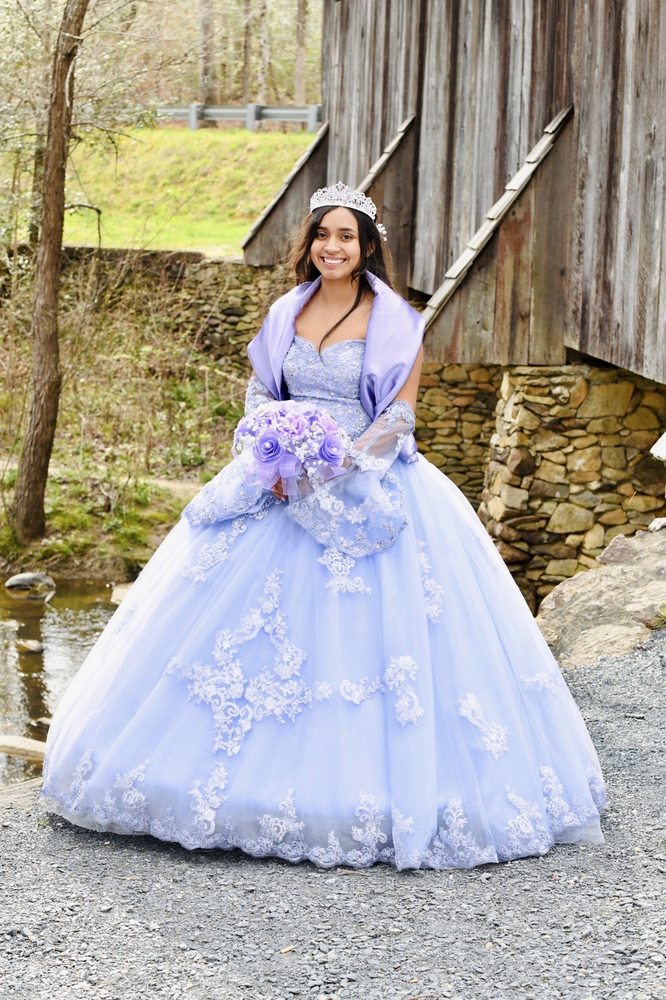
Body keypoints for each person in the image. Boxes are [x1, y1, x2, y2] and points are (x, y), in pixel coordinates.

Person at [39, 182, 607, 870]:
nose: (332, 247)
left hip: (365, 478)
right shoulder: (287, 309)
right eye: (321, 235)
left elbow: (399, 416)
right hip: (277, 480)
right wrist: (272, 453)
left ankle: (347, 795)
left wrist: (336, 464)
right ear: (308, 244)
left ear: (366, 247)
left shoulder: (395, 319)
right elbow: (260, 392)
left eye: (345, 237)